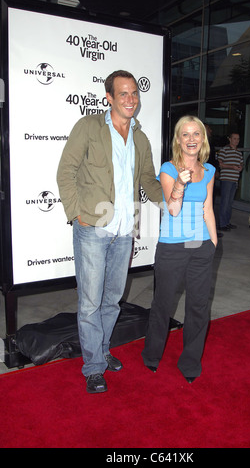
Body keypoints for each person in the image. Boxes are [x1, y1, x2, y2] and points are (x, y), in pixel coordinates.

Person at [57, 70, 162, 393]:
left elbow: (148, 180)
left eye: (134, 94)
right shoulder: (89, 127)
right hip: (93, 228)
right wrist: (77, 214)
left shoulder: (140, 138)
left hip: (124, 230)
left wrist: (172, 198)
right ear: (110, 98)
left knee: (112, 300)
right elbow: (66, 171)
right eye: (124, 94)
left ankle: (102, 351)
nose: (131, 99)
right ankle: (93, 367)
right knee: (90, 302)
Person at [142, 115, 217, 384]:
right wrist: (181, 184)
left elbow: (207, 209)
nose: (191, 139)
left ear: (202, 139)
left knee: (198, 307)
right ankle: (151, 355)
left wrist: (213, 243)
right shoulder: (168, 169)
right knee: (163, 304)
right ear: (178, 140)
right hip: (172, 248)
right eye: (185, 134)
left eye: (196, 133)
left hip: (201, 248)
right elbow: (172, 210)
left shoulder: (208, 170)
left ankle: (190, 362)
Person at [218, 132, 243, 231]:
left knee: (229, 202)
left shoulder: (239, 153)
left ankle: (227, 222)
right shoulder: (224, 150)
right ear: (230, 139)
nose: (236, 141)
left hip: (234, 180)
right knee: (225, 202)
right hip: (226, 179)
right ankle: (222, 223)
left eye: (238, 139)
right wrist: (231, 167)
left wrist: (240, 168)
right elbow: (220, 164)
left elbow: (241, 164)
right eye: (234, 138)